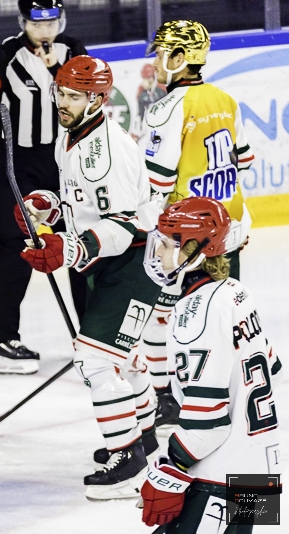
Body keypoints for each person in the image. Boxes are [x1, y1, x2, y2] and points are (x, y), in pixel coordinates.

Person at [15, 56, 162, 500]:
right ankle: (146, 435)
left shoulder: (109, 151)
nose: (62, 102)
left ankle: (128, 459)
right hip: (113, 266)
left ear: (97, 99)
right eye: (60, 92)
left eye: (73, 96)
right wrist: (50, 208)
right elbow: (84, 203)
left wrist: (70, 248)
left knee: (95, 360)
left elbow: (123, 223)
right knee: (121, 355)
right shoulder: (74, 137)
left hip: (132, 265)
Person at [140, 196, 281, 533]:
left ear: (194, 249)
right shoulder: (235, 291)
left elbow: (209, 420)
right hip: (258, 469)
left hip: (217, 475)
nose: (157, 252)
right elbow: (273, 370)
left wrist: (170, 465)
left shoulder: (195, 312)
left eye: (167, 243)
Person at [140, 20, 255, 430]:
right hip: (228, 228)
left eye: (161, 53)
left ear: (180, 58)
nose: (155, 61)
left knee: (160, 317)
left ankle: (167, 398)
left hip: (185, 239)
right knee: (224, 316)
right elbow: (243, 161)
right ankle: (235, 396)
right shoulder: (224, 98)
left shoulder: (167, 109)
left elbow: (155, 183)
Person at [0, 0, 88, 375]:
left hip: (64, 160)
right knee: (15, 244)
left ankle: (94, 340)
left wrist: (56, 69)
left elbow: (84, 96)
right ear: (22, 22)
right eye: (36, 24)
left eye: (51, 23)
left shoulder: (73, 50)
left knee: (81, 244)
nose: (45, 32)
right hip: (17, 162)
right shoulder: (6, 54)